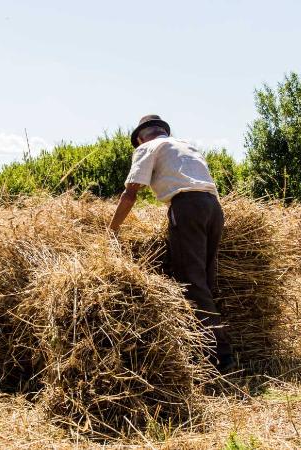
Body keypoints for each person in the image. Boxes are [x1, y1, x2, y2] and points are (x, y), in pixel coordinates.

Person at [109, 114, 233, 370]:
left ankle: (219, 356)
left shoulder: (147, 147)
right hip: (213, 208)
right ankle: (214, 348)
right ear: (163, 131)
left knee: (190, 281)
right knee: (206, 281)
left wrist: (111, 229)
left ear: (141, 137)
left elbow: (130, 193)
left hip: (187, 208)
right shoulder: (187, 146)